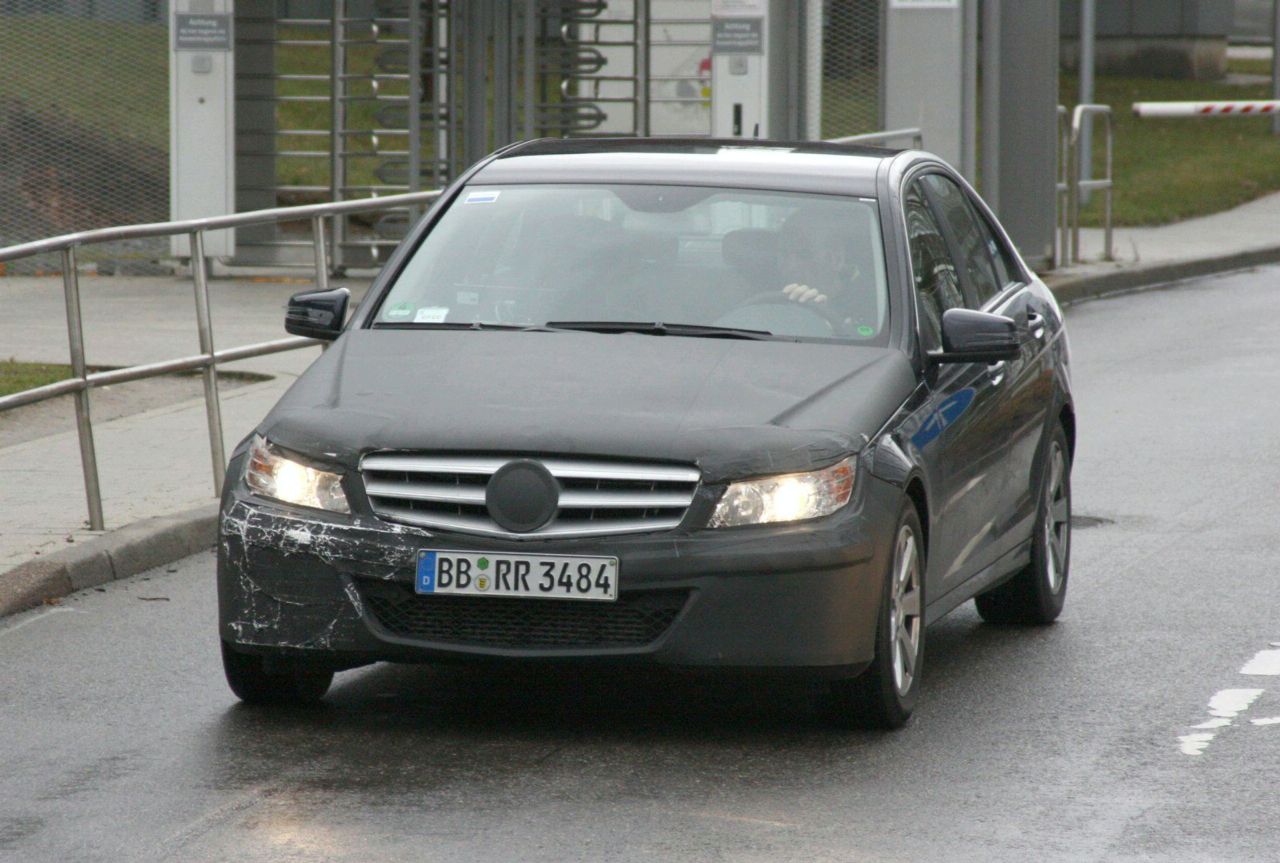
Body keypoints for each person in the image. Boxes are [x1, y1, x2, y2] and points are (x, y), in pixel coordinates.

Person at [776, 205, 878, 334]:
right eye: (783, 254)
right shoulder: (764, 298)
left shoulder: (872, 306)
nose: (791, 266)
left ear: (835, 259)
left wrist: (829, 324)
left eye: (804, 255)